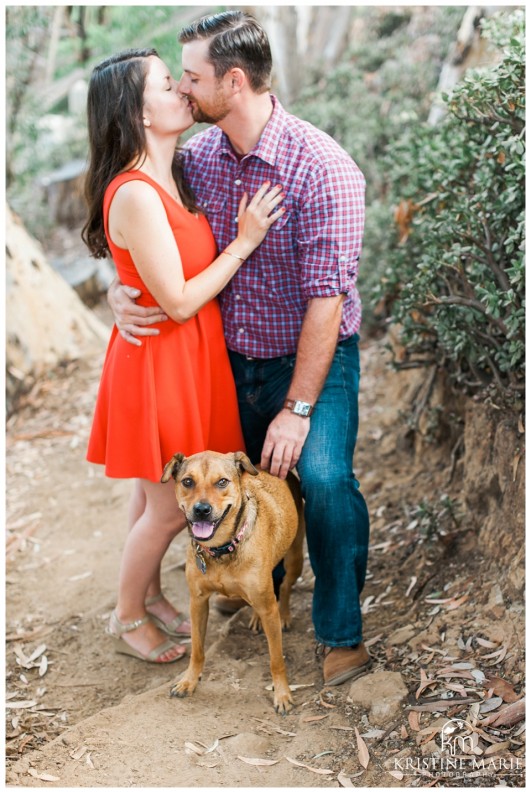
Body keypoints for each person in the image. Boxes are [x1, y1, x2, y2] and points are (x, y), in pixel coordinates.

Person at [108, 11, 371, 685]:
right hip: (221, 365)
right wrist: (119, 286)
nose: (183, 90)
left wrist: (298, 406)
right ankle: (243, 577)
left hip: (310, 360)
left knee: (322, 478)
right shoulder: (194, 159)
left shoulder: (321, 167)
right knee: (229, 484)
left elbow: (326, 300)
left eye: (189, 78)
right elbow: (139, 223)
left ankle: (339, 632)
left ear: (232, 80)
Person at [82, 47, 284, 664]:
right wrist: (245, 243)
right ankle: (127, 617)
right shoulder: (139, 192)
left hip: (186, 357)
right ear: (138, 113)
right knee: (169, 511)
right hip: (161, 360)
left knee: (150, 501)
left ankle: (151, 598)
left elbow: (132, 267)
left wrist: (117, 288)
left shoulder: (177, 171)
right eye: (168, 86)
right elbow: (175, 300)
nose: (182, 92)